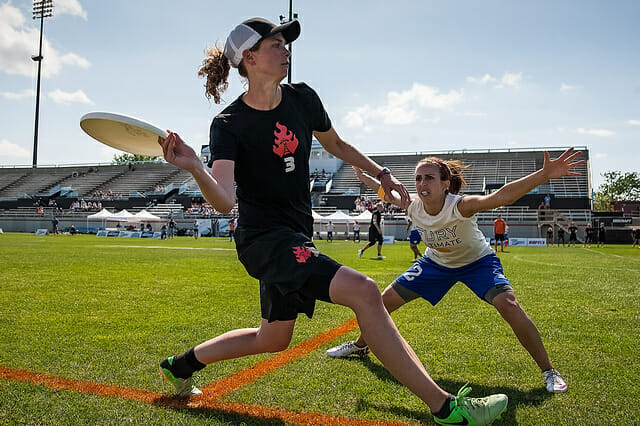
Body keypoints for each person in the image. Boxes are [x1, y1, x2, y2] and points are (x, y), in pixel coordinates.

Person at [156, 17, 507, 425]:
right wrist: (195, 168)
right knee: (364, 290)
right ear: (249, 58)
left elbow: (337, 144)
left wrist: (382, 174)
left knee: (273, 338)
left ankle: (178, 365)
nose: (286, 50)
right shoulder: (229, 124)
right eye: (275, 44)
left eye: (286, 43)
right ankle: (447, 408)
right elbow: (223, 201)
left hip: (294, 235)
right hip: (264, 240)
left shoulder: (302, 98)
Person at [328, 149, 583, 394]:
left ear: (445, 183)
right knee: (382, 301)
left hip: (477, 263)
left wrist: (543, 174)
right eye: (418, 178)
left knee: (509, 305)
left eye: (429, 177)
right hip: (435, 264)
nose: (421, 183)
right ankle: (361, 346)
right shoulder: (413, 205)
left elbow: (502, 197)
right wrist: (364, 178)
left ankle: (549, 371)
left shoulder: (460, 205)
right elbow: (385, 194)